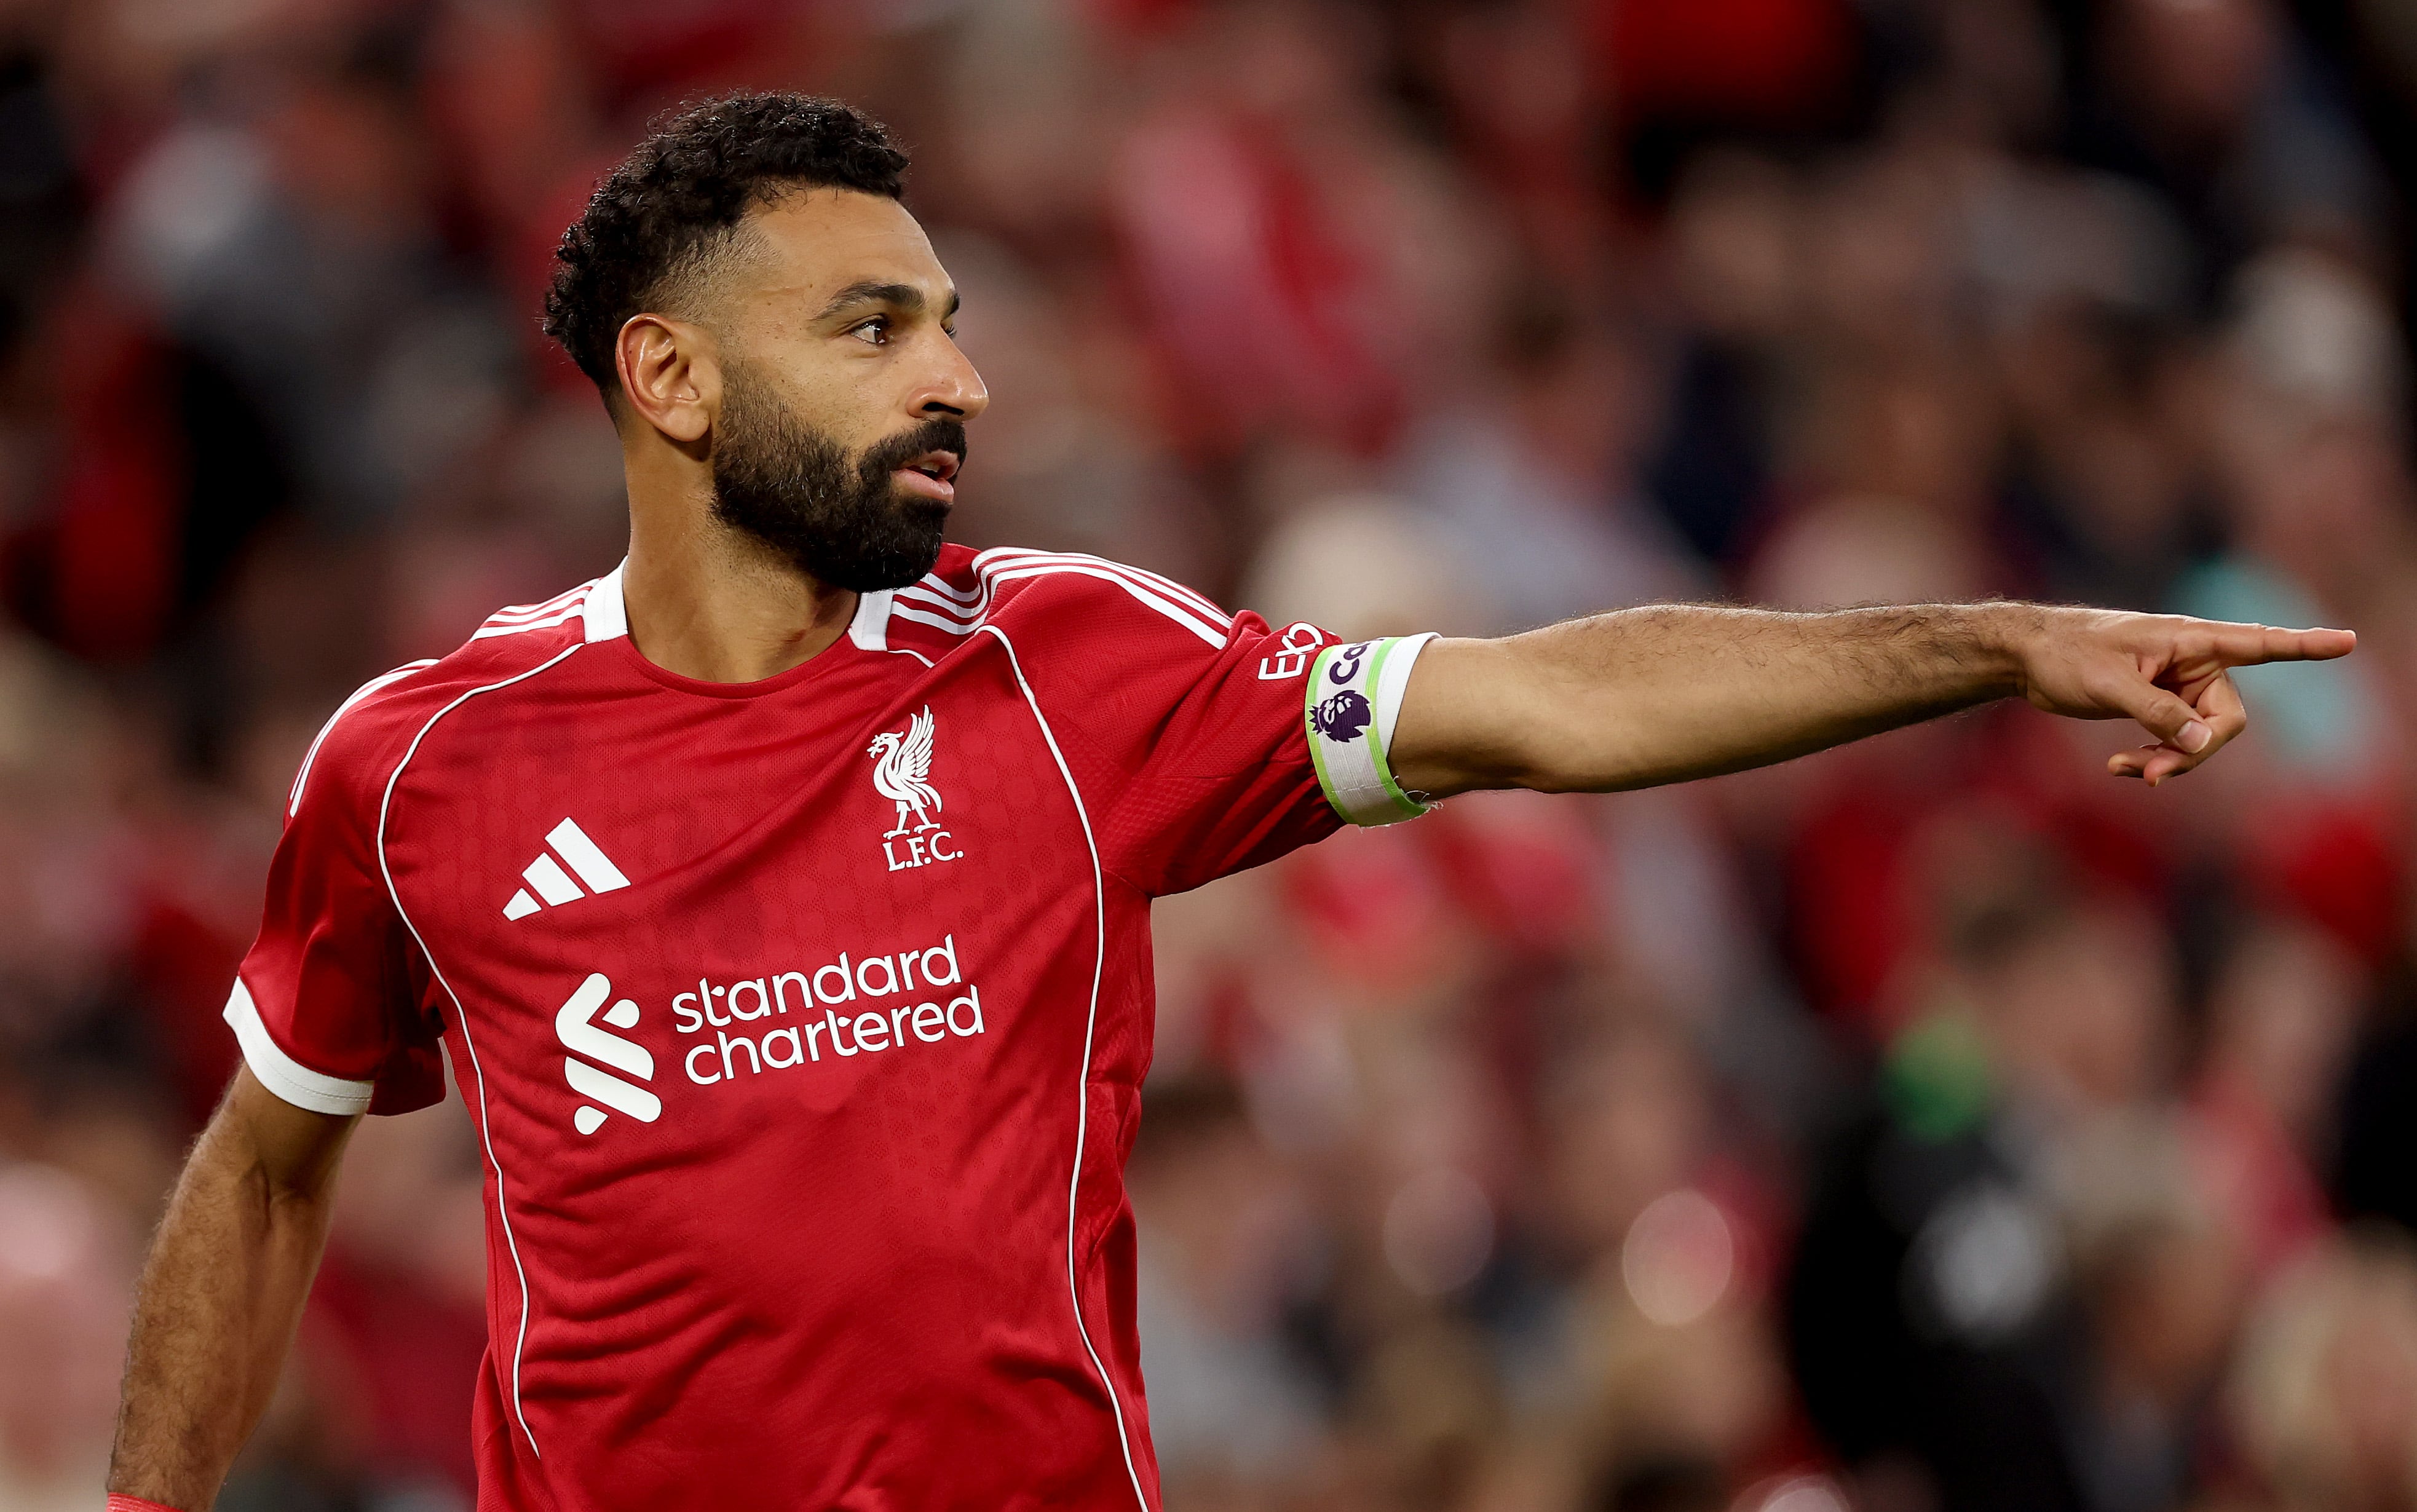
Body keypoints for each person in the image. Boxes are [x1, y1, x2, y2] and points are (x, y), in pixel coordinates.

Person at [102, 93, 2353, 1512]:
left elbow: (1535, 704)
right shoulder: (422, 766)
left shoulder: (1068, 665)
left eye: (950, 319)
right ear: (669, 380)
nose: (961, 377)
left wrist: (1985, 642)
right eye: (873, 329)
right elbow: (269, 1164)